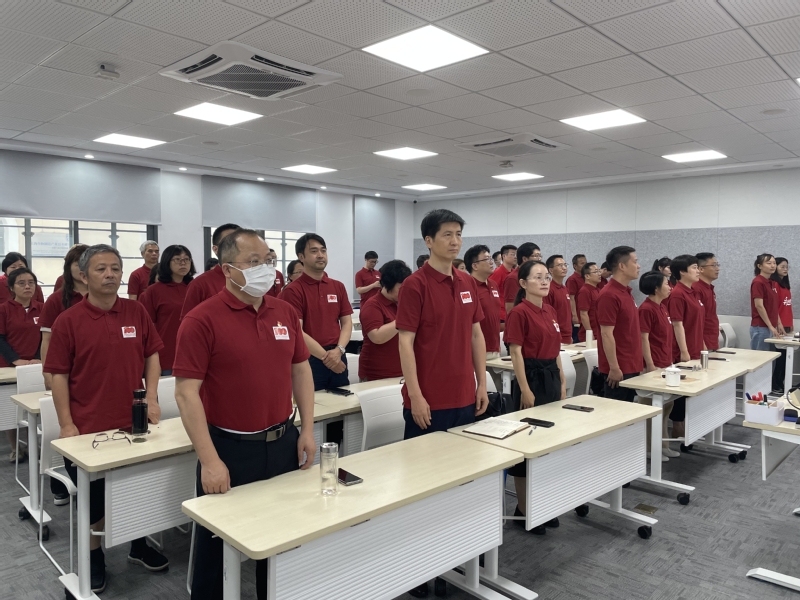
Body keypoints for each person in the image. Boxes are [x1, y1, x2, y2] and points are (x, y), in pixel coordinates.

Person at [173, 229, 316, 600]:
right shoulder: (201, 320)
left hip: (283, 442)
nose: (265, 269)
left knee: (283, 540)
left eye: (268, 260)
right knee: (215, 549)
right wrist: (209, 462)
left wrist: (307, 430)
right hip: (230, 449)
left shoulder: (284, 311)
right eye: (254, 262)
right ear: (227, 269)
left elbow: (301, 371)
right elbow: (186, 394)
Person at [45, 244, 166, 593]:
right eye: (101, 269)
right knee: (94, 500)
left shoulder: (136, 311)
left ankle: (138, 545)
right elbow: (58, 376)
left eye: (115, 268)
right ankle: (94, 555)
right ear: (84, 276)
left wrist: (152, 398)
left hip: (134, 424)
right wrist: (66, 423)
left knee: (138, 488)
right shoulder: (69, 321)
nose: (110, 274)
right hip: (88, 429)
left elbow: (152, 356)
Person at [397, 209, 488, 599]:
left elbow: (476, 335)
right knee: (423, 488)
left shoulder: (466, 281)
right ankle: (418, 567)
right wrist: (416, 395)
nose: (455, 241)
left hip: (465, 397)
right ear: (429, 241)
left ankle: (453, 553)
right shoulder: (415, 285)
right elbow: (405, 342)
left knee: (460, 482)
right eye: (447, 234)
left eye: (459, 234)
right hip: (428, 403)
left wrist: (481, 382)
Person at [505, 259, 566, 533]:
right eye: (537, 277)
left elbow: (556, 350)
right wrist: (525, 389)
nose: (544, 282)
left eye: (546, 277)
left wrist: (562, 382)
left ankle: (541, 505)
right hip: (529, 378)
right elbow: (515, 352)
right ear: (523, 283)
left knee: (547, 443)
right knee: (527, 445)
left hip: (551, 376)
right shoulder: (519, 312)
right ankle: (523, 508)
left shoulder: (550, 310)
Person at [280, 233, 353, 390]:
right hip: (310, 358)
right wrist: (327, 358)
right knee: (313, 402)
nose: (320, 255)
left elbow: (347, 323)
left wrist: (339, 351)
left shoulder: (337, 286)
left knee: (343, 400)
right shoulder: (293, 290)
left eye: (323, 250)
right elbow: (297, 331)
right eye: (314, 251)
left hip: (338, 353)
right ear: (301, 256)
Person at [0, 268, 43, 462]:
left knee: (36, 407)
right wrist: (16, 359)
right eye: (21, 283)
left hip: (36, 365)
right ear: (11, 288)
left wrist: (37, 357)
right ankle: (15, 447)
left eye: (31, 283)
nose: (27, 286)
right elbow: (0, 339)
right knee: (10, 410)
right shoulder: (3, 309)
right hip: (10, 367)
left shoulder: (42, 308)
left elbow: (46, 336)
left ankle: (38, 446)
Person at [638, 271, 680, 460]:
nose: (670, 287)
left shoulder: (662, 306)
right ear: (656, 288)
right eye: (666, 283)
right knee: (651, 409)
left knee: (666, 406)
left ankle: (663, 445)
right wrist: (649, 364)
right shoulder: (646, 309)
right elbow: (643, 338)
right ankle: (649, 449)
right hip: (653, 365)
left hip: (666, 363)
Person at [139, 245, 195, 376]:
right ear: (166, 262)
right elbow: (148, 328)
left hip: (194, 351)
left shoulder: (195, 287)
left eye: (186, 259)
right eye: (177, 259)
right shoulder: (154, 290)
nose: (183, 263)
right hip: (167, 353)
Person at [597, 246, 642, 401]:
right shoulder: (609, 295)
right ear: (622, 266)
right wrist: (614, 368)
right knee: (617, 411)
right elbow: (606, 334)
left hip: (632, 363)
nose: (638, 266)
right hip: (619, 368)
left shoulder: (626, 292)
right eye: (635, 262)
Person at [358, 260, 411, 381]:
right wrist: (403, 318)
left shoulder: (402, 304)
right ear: (387, 284)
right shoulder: (372, 305)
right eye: (400, 288)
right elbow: (377, 337)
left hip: (402, 370)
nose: (404, 293)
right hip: (377, 373)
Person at [465, 244, 503, 392]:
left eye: (491, 258)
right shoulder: (467, 286)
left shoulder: (493, 284)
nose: (491, 262)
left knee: (496, 393)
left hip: (495, 348)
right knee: (478, 392)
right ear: (474, 265)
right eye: (486, 259)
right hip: (476, 350)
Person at [181, 224, 239, 318]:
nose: (237, 248)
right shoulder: (200, 284)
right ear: (216, 249)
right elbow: (189, 322)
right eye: (229, 243)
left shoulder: (251, 279)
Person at [669, 255, 705, 364]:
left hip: (697, 348)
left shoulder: (694, 292)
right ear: (682, 272)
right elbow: (677, 324)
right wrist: (684, 352)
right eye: (694, 267)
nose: (698, 271)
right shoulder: (677, 294)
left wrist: (703, 345)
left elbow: (697, 322)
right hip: (686, 351)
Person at [750, 253, 783, 350]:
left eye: (774, 263)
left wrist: (779, 323)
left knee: (771, 357)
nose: (773, 266)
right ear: (759, 266)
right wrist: (770, 326)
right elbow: (759, 306)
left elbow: (773, 306)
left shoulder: (771, 282)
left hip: (770, 327)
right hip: (761, 327)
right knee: (760, 357)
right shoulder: (758, 282)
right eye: (769, 263)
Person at [772, 257, 792, 393]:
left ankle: (781, 382)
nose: (785, 269)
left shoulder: (785, 285)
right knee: (779, 357)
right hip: (779, 325)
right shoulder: (774, 284)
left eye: (786, 267)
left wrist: (790, 323)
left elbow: (788, 306)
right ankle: (776, 383)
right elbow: (774, 307)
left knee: (785, 357)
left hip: (787, 324)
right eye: (782, 267)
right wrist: (778, 323)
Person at [503, 243, 539, 316]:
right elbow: (510, 308)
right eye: (535, 256)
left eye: (539, 256)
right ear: (524, 259)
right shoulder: (513, 278)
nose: (539, 259)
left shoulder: (534, 276)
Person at [694, 253, 720, 352]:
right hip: (703, 343)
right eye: (714, 265)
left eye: (718, 265)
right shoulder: (696, 288)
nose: (717, 269)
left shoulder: (709, 288)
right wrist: (702, 344)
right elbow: (696, 321)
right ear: (701, 269)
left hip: (712, 339)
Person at [544, 254, 572, 344]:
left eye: (565, 265)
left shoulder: (565, 288)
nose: (564, 268)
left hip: (567, 334)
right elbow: (547, 315)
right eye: (560, 265)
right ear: (551, 270)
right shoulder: (548, 289)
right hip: (556, 335)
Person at [489, 244, 517, 321]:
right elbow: (489, 291)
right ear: (504, 256)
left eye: (516, 254)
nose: (515, 257)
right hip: (501, 314)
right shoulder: (498, 272)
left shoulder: (514, 272)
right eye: (513, 254)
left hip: (513, 310)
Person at [577, 262, 602, 342]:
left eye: (599, 271)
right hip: (590, 335)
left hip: (599, 332)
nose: (599, 274)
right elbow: (583, 314)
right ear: (587, 276)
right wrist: (589, 333)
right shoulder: (585, 291)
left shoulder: (598, 290)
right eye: (596, 272)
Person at [566, 254, 587, 342]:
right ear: (575, 266)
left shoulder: (586, 278)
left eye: (586, 263)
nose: (585, 265)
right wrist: (574, 315)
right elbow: (571, 298)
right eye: (582, 263)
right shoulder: (572, 279)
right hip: (578, 315)